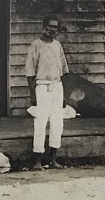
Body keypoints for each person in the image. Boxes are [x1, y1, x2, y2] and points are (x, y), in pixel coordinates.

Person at [25, 14, 69, 170]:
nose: (52, 29)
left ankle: (53, 159)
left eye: (55, 27)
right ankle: (37, 161)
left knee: (57, 123)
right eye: (50, 26)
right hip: (42, 87)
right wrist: (33, 93)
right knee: (40, 123)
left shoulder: (57, 45)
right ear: (44, 27)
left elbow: (64, 71)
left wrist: (64, 95)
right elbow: (30, 72)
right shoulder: (36, 45)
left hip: (57, 86)